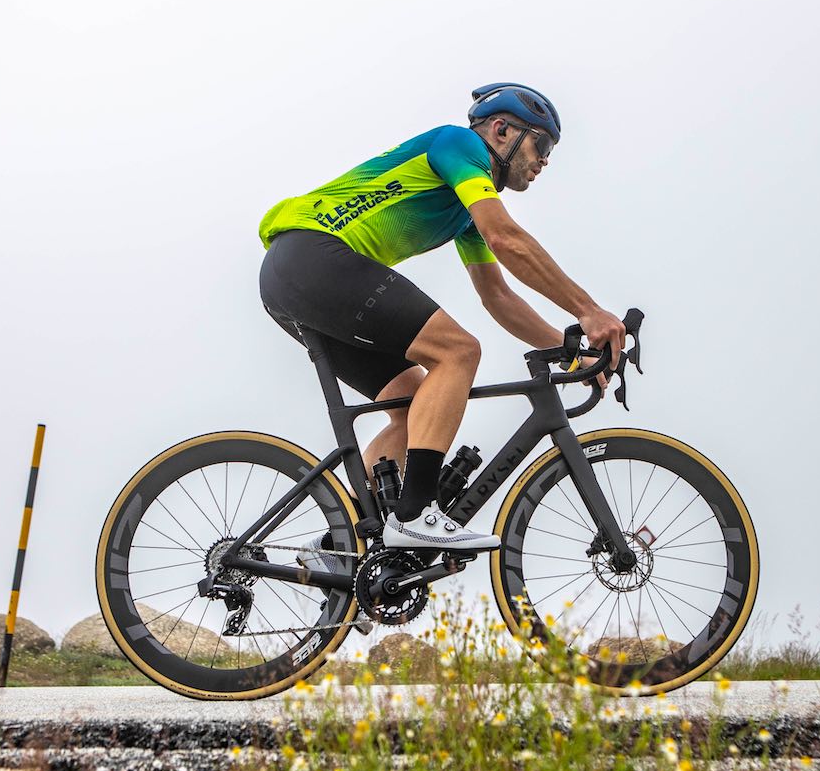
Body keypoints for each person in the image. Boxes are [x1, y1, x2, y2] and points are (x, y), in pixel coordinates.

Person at [258, 83, 626, 555]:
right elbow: (506, 238)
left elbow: (497, 297)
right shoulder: (459, 144)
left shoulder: (464, 214)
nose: (545, 161)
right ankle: (415, 515)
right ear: (501, 130)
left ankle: (339, 546)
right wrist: (589, 311)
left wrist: (568, 351)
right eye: (542, 144)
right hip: (312, 257)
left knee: (415, 404)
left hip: (294, 278)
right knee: (458, 350)